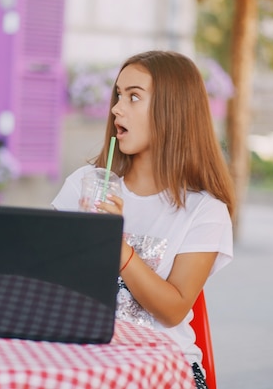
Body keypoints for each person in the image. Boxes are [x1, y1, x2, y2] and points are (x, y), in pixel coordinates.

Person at [51, 50, 235, 389]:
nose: (117, 108)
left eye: (134, 97)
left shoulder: (204, 211)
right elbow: (45, 276)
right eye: (118, 95)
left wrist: (117, 247)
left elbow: (173, 309)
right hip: (87, 361)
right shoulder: (85, 184)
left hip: (165, 370)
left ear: (173, 110)